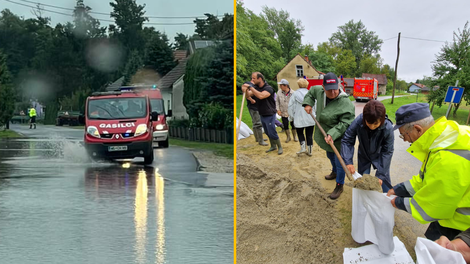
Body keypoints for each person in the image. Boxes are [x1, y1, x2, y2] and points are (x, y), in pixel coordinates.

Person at [387, 103, 470, 241]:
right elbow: (425, 180)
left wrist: (398, 202)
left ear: (418, 129)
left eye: (404, 135)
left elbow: (431, 206)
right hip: (451, 212)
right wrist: (398, 190)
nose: (406, 140)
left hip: (461, 226)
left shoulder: (446, 156)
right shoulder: (445, 138)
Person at [302, 72, 355, 199]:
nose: (333, 93)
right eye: (329, 90)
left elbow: (346, 122)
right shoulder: (318, 91)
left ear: (339, 86)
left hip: (339, 135)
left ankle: (339, 184)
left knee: (340, 161)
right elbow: (310, 93)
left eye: (335, 89)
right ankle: (335, 171)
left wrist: (333, 133)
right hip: (324, 132)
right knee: (330, 154)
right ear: (323, 87)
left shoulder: (345, 102)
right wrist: (308, 103)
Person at [341, 100, 394, 193]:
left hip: (380, 156)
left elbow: (387, 151)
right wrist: (348, 161)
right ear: (364, 118)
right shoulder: (358, 121)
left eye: (376, 124)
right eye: (369, 123)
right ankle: (364, 200)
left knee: (384, 181)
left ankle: (388, 200)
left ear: (381, 120)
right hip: (364, 155)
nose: (372, 127)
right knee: (362, 183)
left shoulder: (388, 127)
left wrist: (380, 174)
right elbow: (347, 140)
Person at [243, 72, 283, 155]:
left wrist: (251, 87)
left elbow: (261, 96)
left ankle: (279, 147)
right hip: (262, 113)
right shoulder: (256, 87)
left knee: (272, 131)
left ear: (260, 79)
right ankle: (273, 146)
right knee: (267, 131)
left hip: (270, 113)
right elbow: (248, 96)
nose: (252, 80)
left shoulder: (268, 88)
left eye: (254, 78)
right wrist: (246, 90)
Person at [288, 78, 315, 156]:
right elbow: (315, 105)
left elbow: (290, 106)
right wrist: (315, 115)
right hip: (310, 117)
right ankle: (310, 150)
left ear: (298, 85)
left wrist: (291, 117)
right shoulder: (310, 94)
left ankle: (303, 148)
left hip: (298, 117)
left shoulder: (295, 94)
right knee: (309, 134)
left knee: (300, 133)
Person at [241, 81, 268, 146]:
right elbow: (246, 93)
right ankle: (260, 141)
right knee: (258, 123)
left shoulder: (253, 85)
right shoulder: (249, 84)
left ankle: (258, 138)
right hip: (253, 107)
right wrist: (251, 100)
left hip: (255, 107)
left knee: (255, 122)